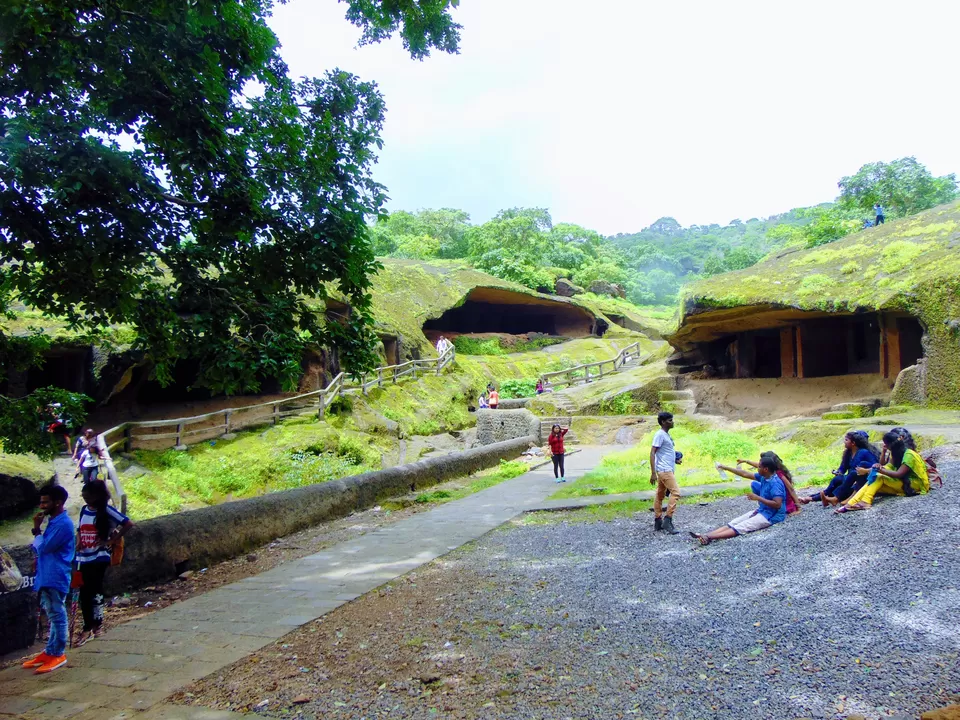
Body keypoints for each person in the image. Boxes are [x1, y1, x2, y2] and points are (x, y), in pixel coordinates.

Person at [22, 484, 75, 674]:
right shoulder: (54, 522)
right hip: (47, 575)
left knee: (57, 614)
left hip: (55, 575)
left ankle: (58, 653)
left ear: (58, 503)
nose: (42, 505)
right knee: (52, 613)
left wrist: (36, 530)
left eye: (45, 502)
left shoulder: (63, 524)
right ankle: (50, 651)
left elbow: (44, 547)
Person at [74, 481, 133, 645]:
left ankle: (95, 625)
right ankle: (88, 625)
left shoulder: (106, 511)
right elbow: (79, 528)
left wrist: (111, 540)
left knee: (94, 590)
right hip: (84, 556)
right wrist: (79, 541)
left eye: (88, 496)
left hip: (99, 556)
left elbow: (128, 523)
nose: (85, 498)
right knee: (84, 592)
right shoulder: (84, 510)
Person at [691, 457, 785, 545]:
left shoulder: (775, 483)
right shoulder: (765, 477)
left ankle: (708, 537)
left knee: (742, 527)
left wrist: (758, 498)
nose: (757, 468)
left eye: (759, 467)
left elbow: (777, 504)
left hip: (771, 516)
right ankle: (707, 534)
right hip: (762, 510)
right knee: (734, 522)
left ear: (766, 469)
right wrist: (726, 467)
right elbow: (744, 474)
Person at [838, 430, 929, 512]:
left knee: (879, 478)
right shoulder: (895, 453)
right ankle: (850, 503)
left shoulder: (909, 455)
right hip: (904, 482)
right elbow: (888, 467)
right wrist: (878, 467)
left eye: (885, 444)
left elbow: (899, 474)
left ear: (891, 444)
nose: (884, 446)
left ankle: (864, 501)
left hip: (916, 484)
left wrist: (879, 470)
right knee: (874, 480)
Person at [802, 431, 880, 506]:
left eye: (846, 440)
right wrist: (838, 472)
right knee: (837, 480)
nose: (844, 442)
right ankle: (819, 498)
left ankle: (814, 499)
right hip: (849, 478)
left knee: (842, 483)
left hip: (859, 480)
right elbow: (842, 468)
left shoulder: (864, 452)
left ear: (853, 443)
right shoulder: (848, 453)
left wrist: (864, 472)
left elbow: (875, 466)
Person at [737, 451, 802, 515]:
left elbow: (791, 489)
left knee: (755, 485)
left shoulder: (779, 474)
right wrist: (745, 461)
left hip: (782, 501)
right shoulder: (775, 469)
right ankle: (766, 506)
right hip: (777, 496)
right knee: (755, 484)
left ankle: (767, 506)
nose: (759, 467)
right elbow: (758, 465)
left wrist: (798, 508)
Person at [650, 411, 680, 534]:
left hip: (666, 468)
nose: (672, 422)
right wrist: (653, 472)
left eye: (672, 420)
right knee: (676, 493)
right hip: (664, 470)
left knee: (660, 494)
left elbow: (664, 452)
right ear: (663, 422)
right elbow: (652, 452)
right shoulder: (660, 435)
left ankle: (658, 520)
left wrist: (675, 459)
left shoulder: (666, 435)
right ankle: (668, 520)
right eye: (669, 420)